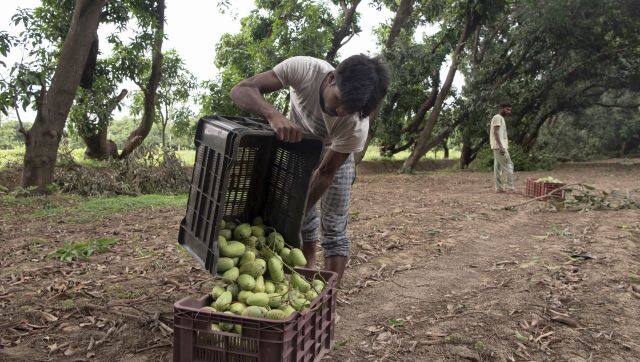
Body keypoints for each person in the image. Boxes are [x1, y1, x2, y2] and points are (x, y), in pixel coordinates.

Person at [230, 55, 389, 283]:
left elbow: (326, 173)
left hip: (334, 153)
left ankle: (328, 296)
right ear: (332, 78)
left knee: (333, 226)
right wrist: (274, 115)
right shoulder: (305, 69)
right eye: (339, 101)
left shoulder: (355, 125)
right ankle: (307, 266)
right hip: (299, 148)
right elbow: (241, 90)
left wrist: (299, 210)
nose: (341, 112)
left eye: (350, 109)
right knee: (302, 221)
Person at [490, 103, 515, 193]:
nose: (509, 112)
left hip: (498, 146)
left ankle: (499, 188)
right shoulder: (497, 117)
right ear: (501, 109)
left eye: (510, 110)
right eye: (507, 109)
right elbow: (495, 132)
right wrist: (501, 146)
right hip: (499, 147)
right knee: (509, 165)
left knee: (498, 168)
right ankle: (510, 188)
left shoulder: (501, 118)